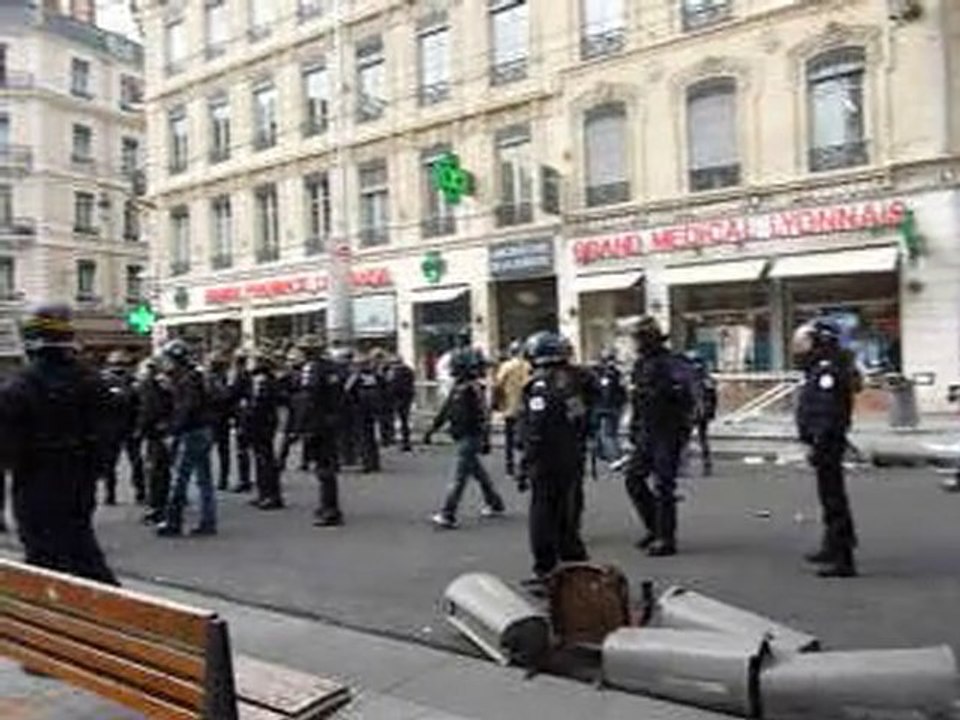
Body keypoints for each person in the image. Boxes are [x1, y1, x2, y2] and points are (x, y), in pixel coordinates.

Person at [0, 303, 118, 584]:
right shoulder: (91, 379)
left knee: (43, 558)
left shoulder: (20, 385)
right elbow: (111, 431)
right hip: (79, 480)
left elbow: (6, 445)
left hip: (36, 482)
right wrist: (96, 468)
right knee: (81, 546)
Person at [517, 331, 592, 584]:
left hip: (546, 459)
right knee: (564, 513)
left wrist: (527, 460)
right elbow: (580, 417)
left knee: (542, 515)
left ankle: (546, 568)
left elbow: (536, 428)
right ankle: (574, 564)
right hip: (569, 454)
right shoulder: (570, 381)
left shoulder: (539, 385)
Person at [623, 316, 695, 557]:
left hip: (668, 430)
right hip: (647, 429)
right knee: (633, 479)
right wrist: (634, 426)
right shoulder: (640, 364)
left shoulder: (673, 363)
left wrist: (660, 394)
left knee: (664, 484)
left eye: (639, 338)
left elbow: (685, 395)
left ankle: (666, 538)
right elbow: (637, 399)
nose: (636, 343)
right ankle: (654, 527)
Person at [794, 319, 860, 578]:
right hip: (826, 439)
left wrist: (819, 440)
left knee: (833, 498)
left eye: (806, 342)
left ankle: (843, 557)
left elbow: (826, 410)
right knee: (829, 496)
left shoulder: (826, 371)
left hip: (828, 440)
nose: (801, 348)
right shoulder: (822, 367)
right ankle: (832, 545)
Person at [424, 349, 504, 529]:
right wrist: (432, 429)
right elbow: (446, 410)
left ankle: (448, 513)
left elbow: (483, 415)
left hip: (471, 436)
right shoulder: (460, 387)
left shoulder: (473, 388)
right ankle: (495, 502)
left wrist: (485, 438)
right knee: (478, 473)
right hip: (463, 435)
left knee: (459, 477)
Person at [156, 339, 217, 538]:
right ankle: (208, 521)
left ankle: (173, 522)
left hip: (192, 432)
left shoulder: (186, 379)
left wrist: (173, 431)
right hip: (204, 430)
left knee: (180, 478)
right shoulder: (195, 376)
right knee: (204, 479)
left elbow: (186, 408)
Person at [303, 344, 348, 527]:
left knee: (323, 468)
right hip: (331, 420)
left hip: (318, 421)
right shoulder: (333, 368)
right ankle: (328, 506)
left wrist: (305, 424)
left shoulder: (314, 369)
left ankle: (330, 509)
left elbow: (311, 397)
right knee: (327, 465)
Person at [98, 350, 145, 505]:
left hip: (126, 427)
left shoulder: (133, 382)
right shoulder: (104, 382)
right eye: (118, 364)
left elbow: (141, 405)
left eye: (123, 365)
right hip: (114, 428)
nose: (120, 368)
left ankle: (139, 492)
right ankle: (111, 493)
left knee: (134, 462)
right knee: (112, 464)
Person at [137, 356, 172, 525]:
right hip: (165, 430)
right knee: (162, 470)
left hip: (155, 432)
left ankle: (156, 508)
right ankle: (161, 505)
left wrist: (141, 428)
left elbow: (149, 409)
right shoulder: (166, 383)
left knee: (155, 471)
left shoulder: (149, 385)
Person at [248, 351, 284, 510]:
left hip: (263, 423)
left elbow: (260, 404)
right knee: (261, 459)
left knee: (266, 459)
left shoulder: (266, 381)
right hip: (262, 422)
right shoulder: (262, 380)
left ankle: (271, 495)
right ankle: (264, 493)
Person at [494, 340, 530, 480]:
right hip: (525, 408)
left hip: (510, 407)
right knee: (526, 439)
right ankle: (524, 467)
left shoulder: (506, 366)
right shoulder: (528, 366)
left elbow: (498, 384)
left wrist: (497, 403)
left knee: (509, 440)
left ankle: (509, 468)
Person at [345, 353, 383, 474]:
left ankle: (366, 463)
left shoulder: (356, 377)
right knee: (371, 437)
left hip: (359, 410)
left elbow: (346, 391)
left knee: (362, 437)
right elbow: (384, 390)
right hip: (373, 410)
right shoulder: (376, 377)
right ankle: (374, 462)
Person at [592, 348, 627, 464]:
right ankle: (604, 453)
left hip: (607, 408)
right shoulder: (614, 373)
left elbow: (606, 391)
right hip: (611, 407)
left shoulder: (608, 374)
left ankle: (615, 457)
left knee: (608, 434)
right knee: (604, 433)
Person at [278, 345, 309, 472]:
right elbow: (280, 388)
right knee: (290, 435)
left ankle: (305, 461)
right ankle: (282, 460)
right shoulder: (288, 374)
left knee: (305, 435)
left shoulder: (306, 372)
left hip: (303, 406)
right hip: (293, 406)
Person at [687, 352, 718, 477]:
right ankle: (706, 463)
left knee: (687, 438)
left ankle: (685, 463)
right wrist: (711, 412)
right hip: (701, 411)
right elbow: (713, 397)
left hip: (694, 411)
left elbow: (712, 397)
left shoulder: (691, 378)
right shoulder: (707, 379)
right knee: (702, 438)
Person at [205, 352, 233, 491]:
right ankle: (221, 479)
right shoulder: (220, 378)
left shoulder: (214, 379)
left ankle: (221, 479)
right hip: (218, 417)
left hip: (215, 418)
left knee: (216, 450)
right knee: (221, 451)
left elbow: (224, 396)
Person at [229, 348, 254, 492]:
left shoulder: (239, 374)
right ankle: (245, 479)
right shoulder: (247, 374)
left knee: (242, 450)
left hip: (242, 415)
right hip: (246, 414)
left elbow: (233, 393)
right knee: (245, 449)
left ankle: (244, 480)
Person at [385, 354, 416, 452]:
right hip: (407, 397)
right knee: (404, 420)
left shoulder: (393, 372)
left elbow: (390, 384)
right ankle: (406, 441)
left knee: (393, 419)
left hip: (397, 398)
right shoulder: (409, 370)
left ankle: (393, 439)